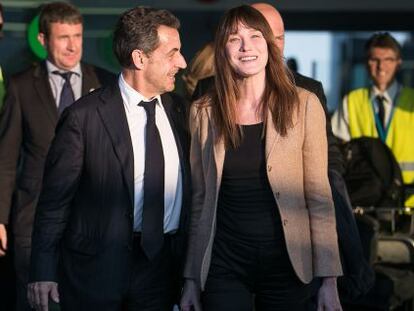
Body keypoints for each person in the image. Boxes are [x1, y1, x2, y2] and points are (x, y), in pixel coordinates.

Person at [180, 5, 342, 311]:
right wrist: (190, 279)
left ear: (269, 43)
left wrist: (329, 280)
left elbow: (319, 197)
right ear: (222, 49)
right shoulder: (203, 111)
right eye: (234, 38)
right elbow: (200, 200)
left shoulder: (304, 106)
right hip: (224, 264)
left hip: (289, 265)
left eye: (255, 36)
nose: (246, 47)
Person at [28, 6, 190, 311]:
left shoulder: (183, 113)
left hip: (162, 273)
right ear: (140, 58)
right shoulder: (83, 117)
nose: (181, 62)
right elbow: (54, 202)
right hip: (95, 275)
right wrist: (43, 271)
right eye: (172, 53)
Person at [0, 2, 115, 310]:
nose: (72, 45)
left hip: (92, 219)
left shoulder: (105, 82)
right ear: (42, 40)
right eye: (63, 37)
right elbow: (6, 159)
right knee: (34, 302)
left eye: (77, 35)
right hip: (33, 216)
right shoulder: (20, 85)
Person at [332, 32, 414, 207]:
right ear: (366, 63)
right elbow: (334, 154)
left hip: (408, 202)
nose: (381, 66)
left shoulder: (412, 103)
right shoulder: (352, 101)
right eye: (374, 59)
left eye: (388, 59)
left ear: (398, 63)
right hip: (365, 201)